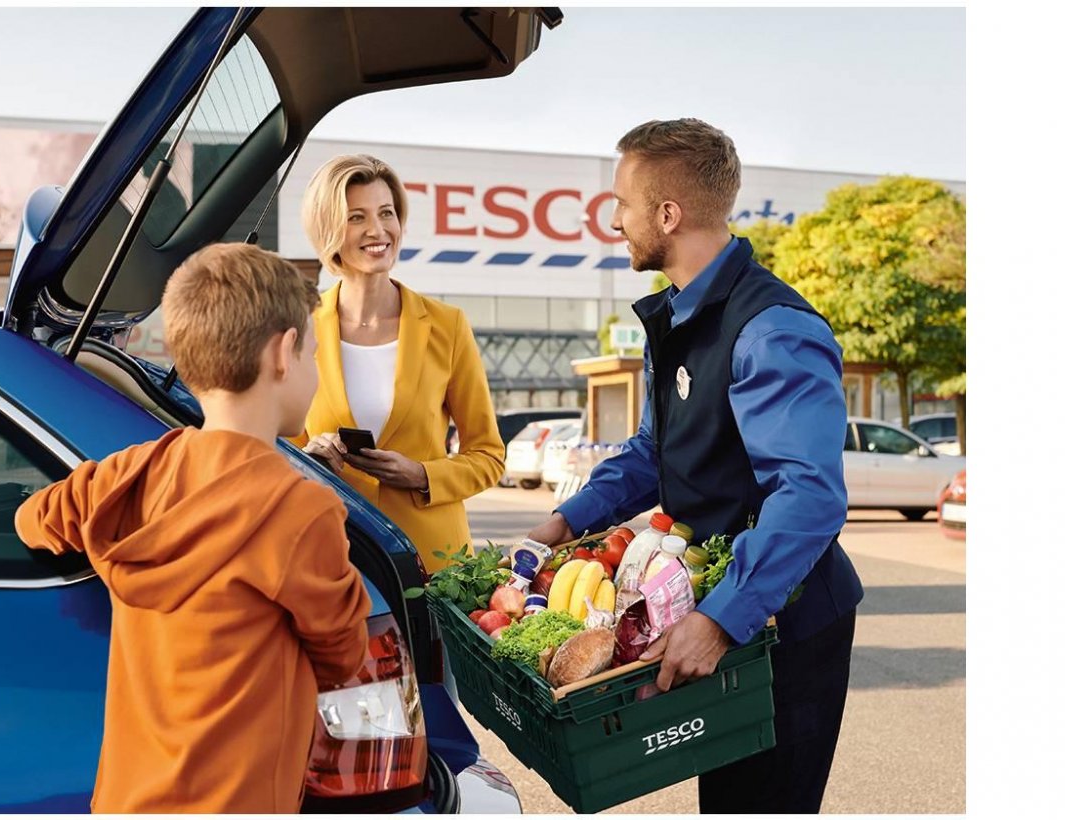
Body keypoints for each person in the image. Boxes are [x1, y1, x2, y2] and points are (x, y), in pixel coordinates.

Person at [526, 119, 865, 813]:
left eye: (622, 203)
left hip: (785, 622)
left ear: (667, 215)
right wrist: (565, 521)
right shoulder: (680, 318)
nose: (613, 221)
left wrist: (721, 618)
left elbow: (808, 496)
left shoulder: (772, 329)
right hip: (728, 609)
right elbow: (653, 451)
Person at [14, 243, 371, 813]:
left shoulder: (128, 476)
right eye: (314, 354)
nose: (317, 371)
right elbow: (344, 655)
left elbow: (34, 518)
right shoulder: (302, 512)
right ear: (283, 354)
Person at [295, 154, 505, 574]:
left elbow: (488, 456)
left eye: (386, 213)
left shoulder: (447, 326)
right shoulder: (301, 327)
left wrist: (423, 475)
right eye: (356, 217)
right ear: (328, 229)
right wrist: (309, 457)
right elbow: (279, 452)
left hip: (434, 561)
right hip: (334, 552)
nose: (378, 230)